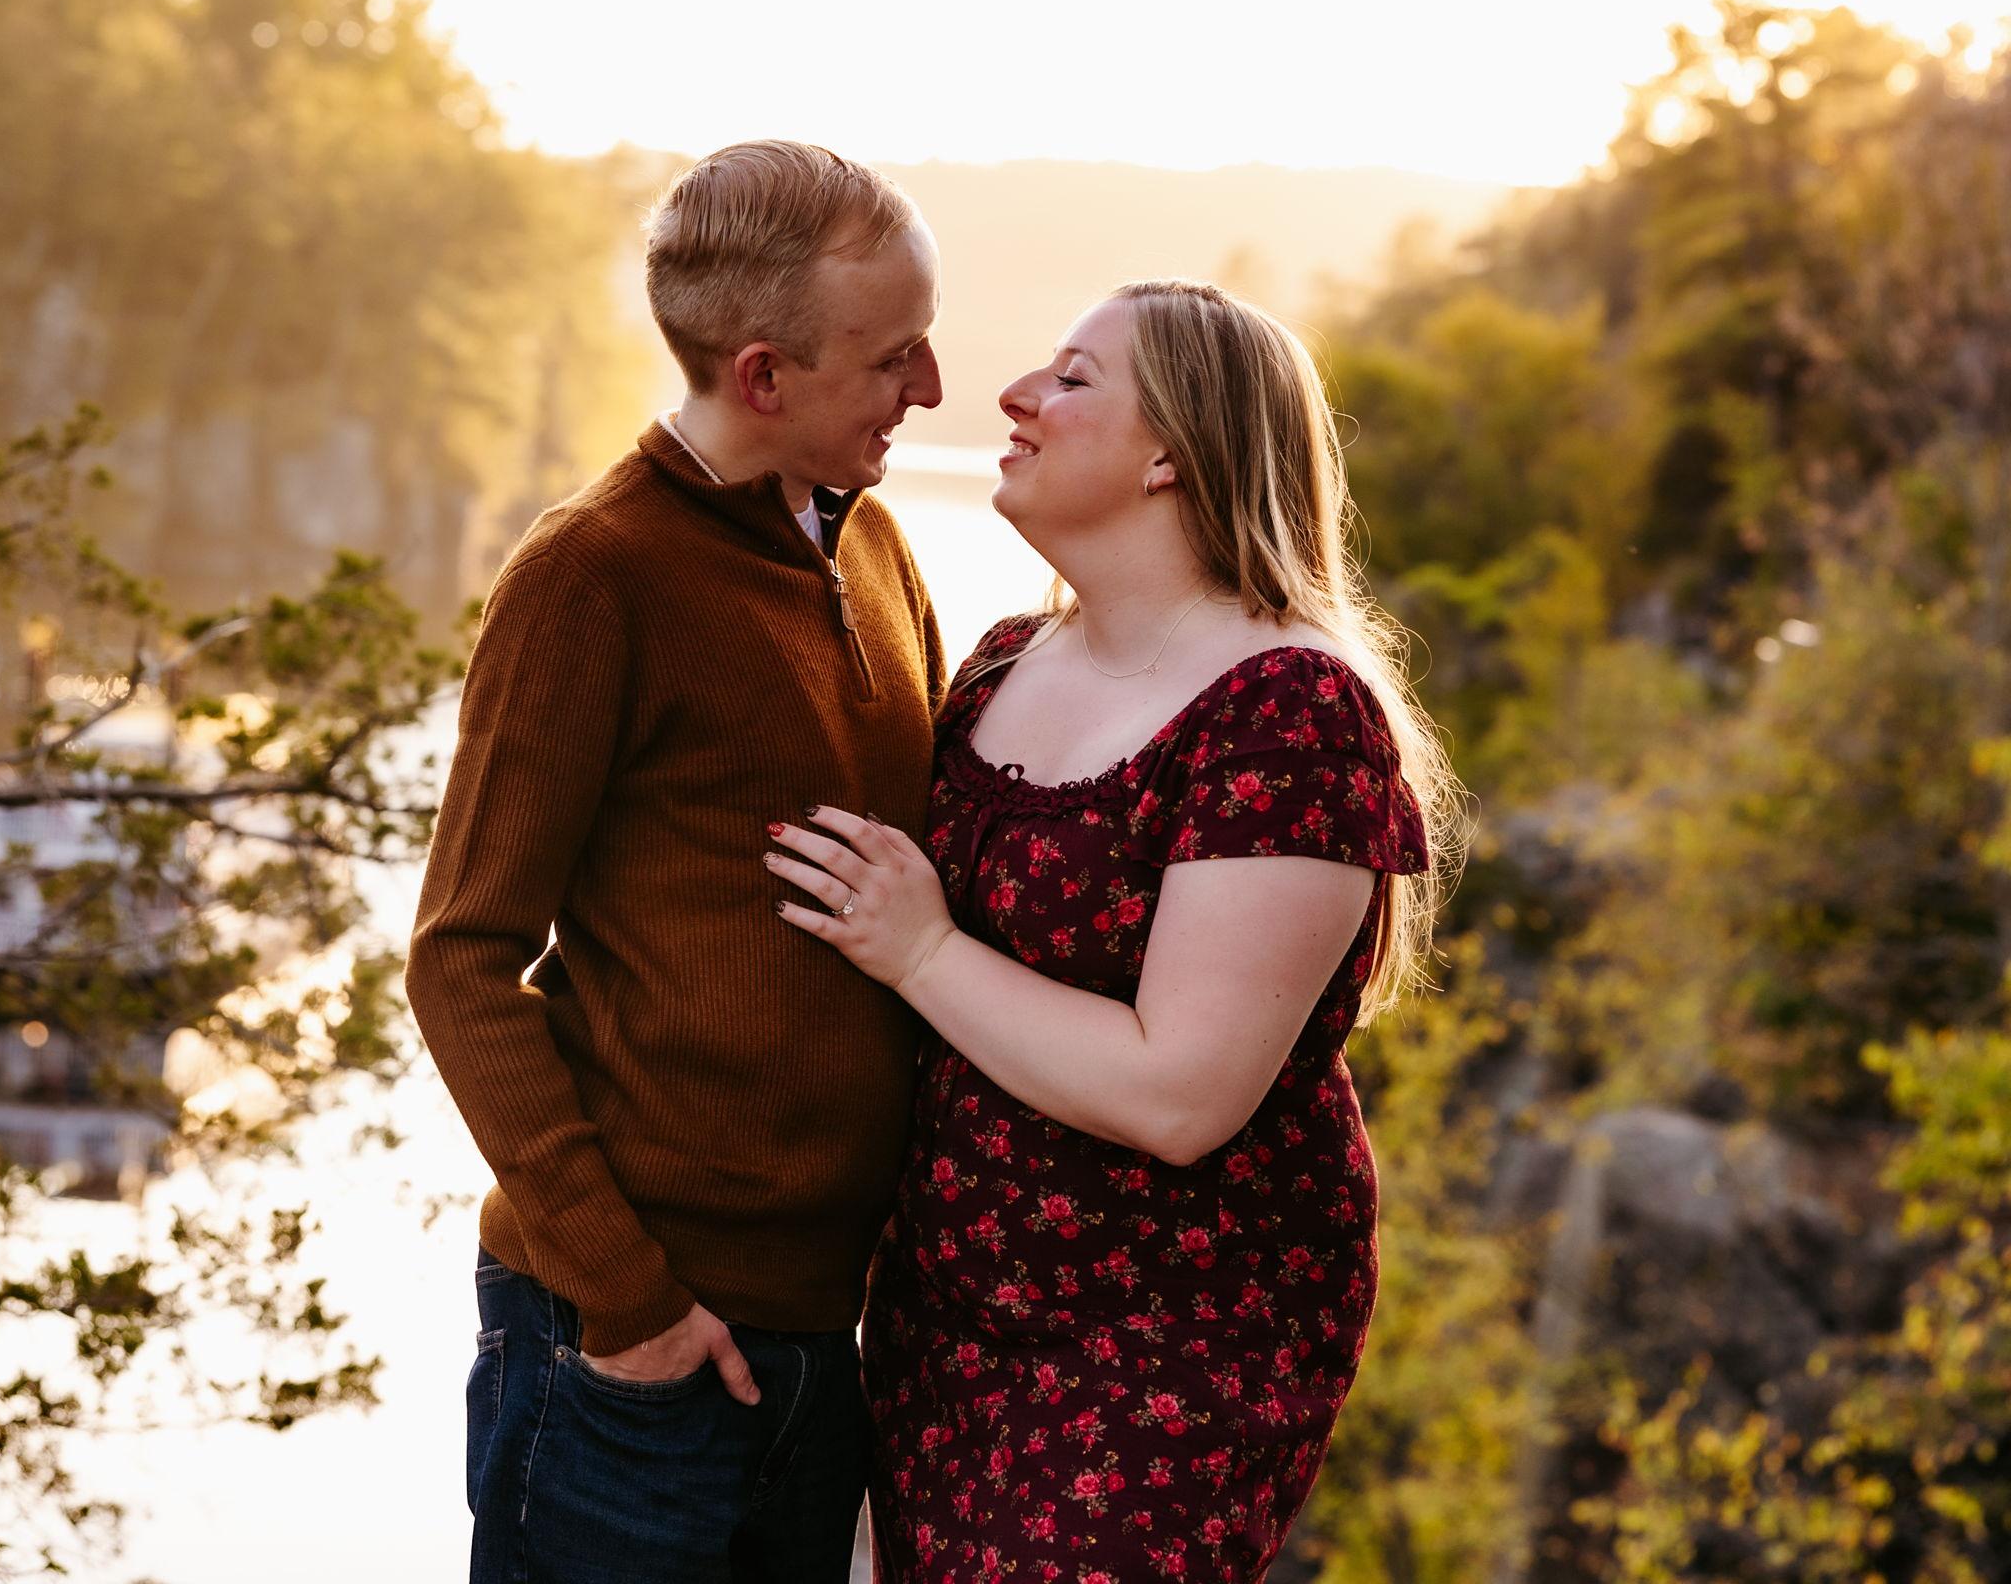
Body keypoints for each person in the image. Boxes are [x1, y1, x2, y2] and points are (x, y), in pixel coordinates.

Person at [764, 279, 1465, 1582]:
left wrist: (923, 950)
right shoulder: (999, 663)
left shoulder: (1289, 712)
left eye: (1073, 379)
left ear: (1171, 456)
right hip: (936, 1320)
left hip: (1164, 1352)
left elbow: (1180, 1094)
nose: (1015, 396)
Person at [405, 139, 946, 1584]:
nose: (932, 387)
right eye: (893, 356)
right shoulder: (592, 573)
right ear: (763, 376)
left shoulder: (878, 549)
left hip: (822, 1341)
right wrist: (628, 1302)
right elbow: (460, 960)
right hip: (628, 1350)